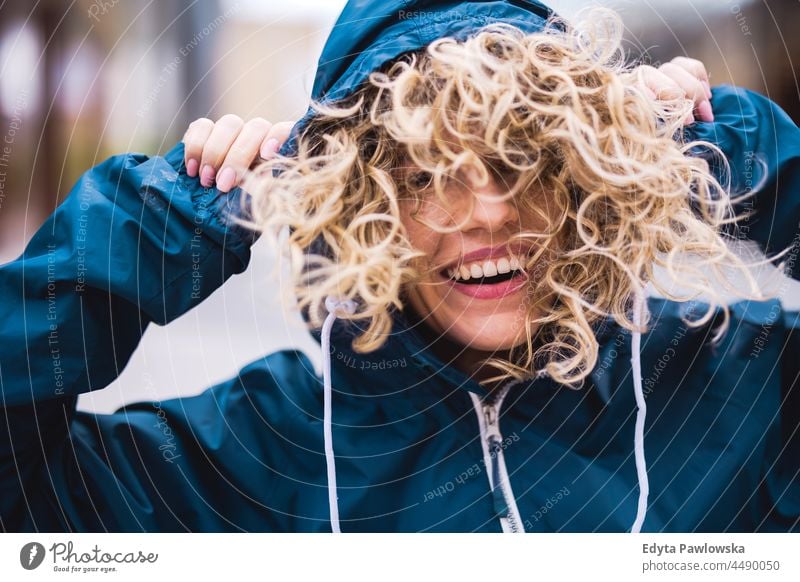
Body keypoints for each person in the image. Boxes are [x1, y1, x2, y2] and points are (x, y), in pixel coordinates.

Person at [1, 0, 798, 533]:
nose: (487, 210)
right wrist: (153, 223)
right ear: (358, 206)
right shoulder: (255, 455)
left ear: (581, 173)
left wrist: (730, 152)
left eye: (522, 155)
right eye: (422, 174)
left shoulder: (736, 387)